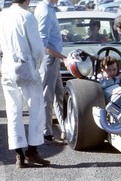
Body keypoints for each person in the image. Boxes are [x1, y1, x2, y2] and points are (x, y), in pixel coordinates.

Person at [0, 0, 50, 168]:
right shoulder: (28, 17)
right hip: (27, 68)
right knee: (36, 109)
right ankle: (32, 151)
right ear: (26, 1)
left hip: (7, 69)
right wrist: (37, 67)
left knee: (13, 111)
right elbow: (38, 50)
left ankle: (19, 155)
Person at [34, 0, 68, 145]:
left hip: (54, 59)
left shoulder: (50, 8)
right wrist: (63, 57)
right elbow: (43, 43)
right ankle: (46, 132)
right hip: (49, 59)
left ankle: (65, 128)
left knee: (59, 94)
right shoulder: (45, 11)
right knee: (47, 96)